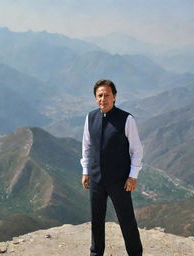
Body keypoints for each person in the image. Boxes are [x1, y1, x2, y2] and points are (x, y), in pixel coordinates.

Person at [80, 79, 143, 256]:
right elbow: (86, 146)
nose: (103, 99)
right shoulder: (90, 117)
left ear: (114, 97)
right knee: (96, 220)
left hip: (120, 180)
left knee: (126, 219)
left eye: (107, 95)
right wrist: (86, 171)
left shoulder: (126, 119)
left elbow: (137, 150)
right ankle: (96, 253)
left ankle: (135, 253)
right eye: (99, 95)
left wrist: (133, 176)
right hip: (96, 179)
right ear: (95, 98)